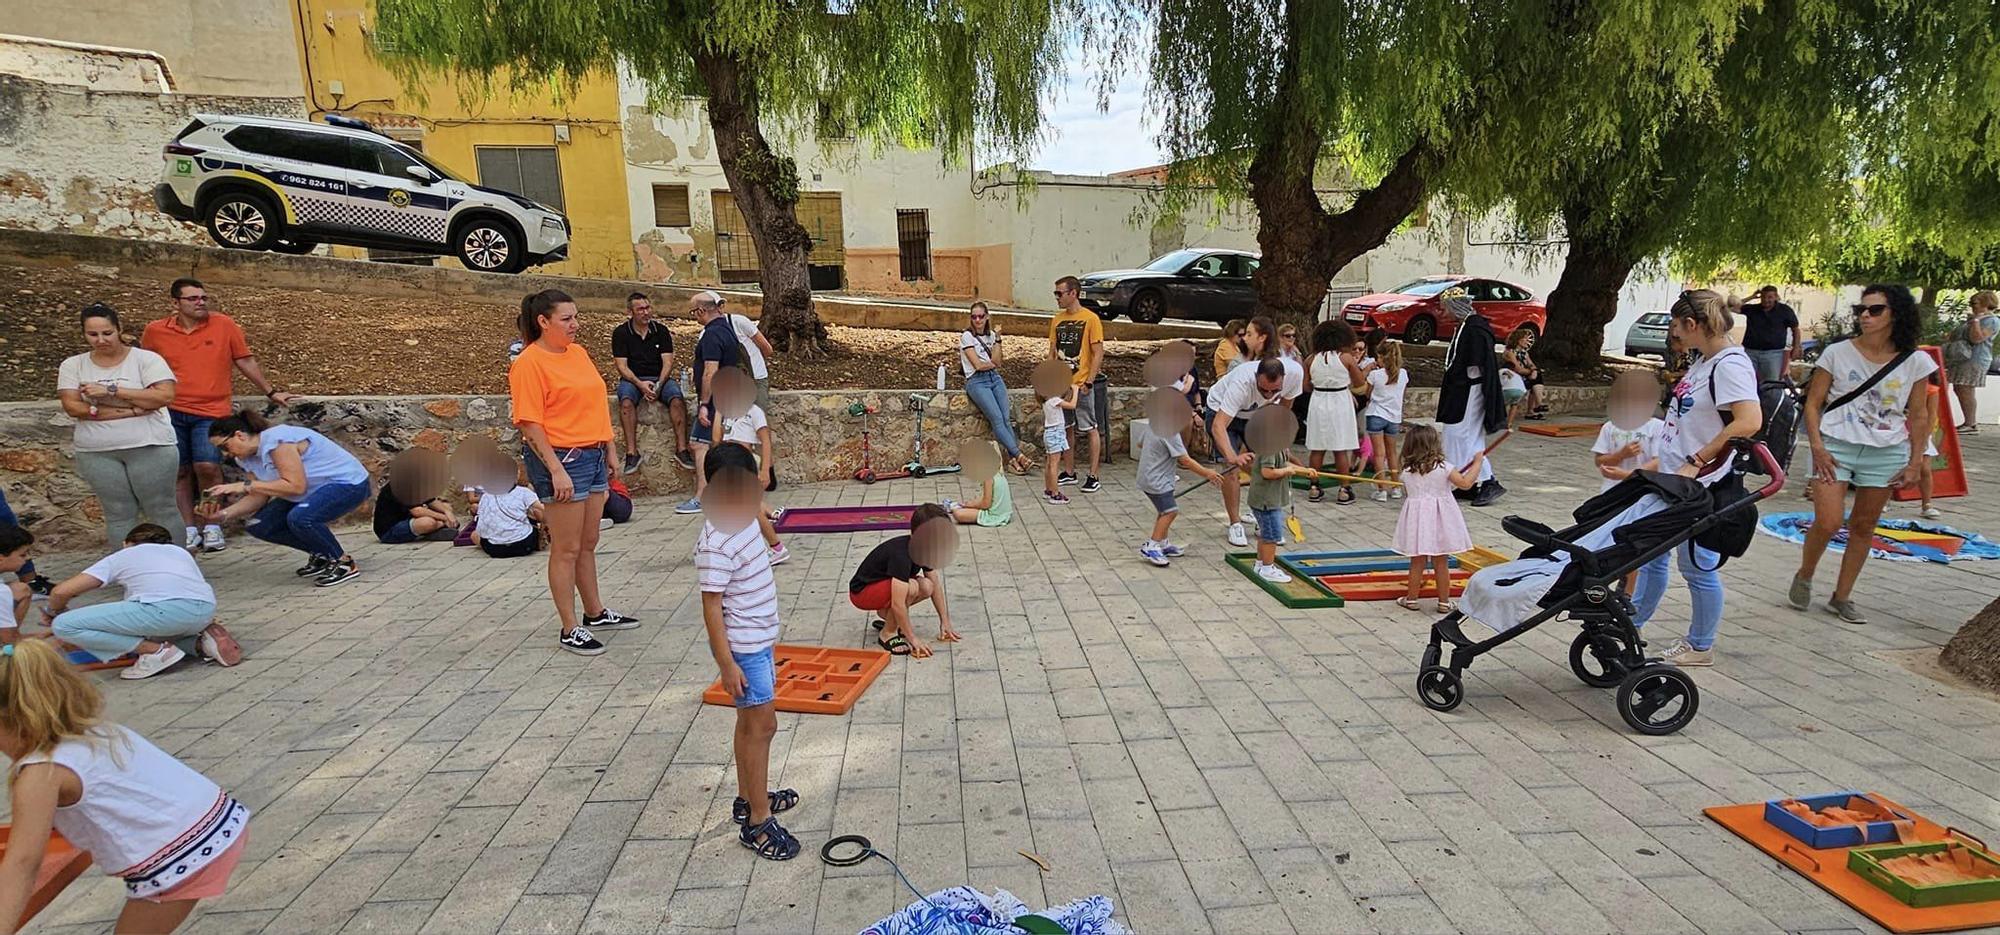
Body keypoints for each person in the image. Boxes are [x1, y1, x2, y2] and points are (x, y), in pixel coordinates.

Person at [0, 639, 251, 932]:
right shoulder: (91, 731)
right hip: (218, 820)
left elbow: (23, 863)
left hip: (181, 855)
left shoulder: (40, 773)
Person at [1791, 284, 1936, 625]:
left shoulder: (1916, 361)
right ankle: (1806, 572)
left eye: (1874, 310)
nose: (1864, 316)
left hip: (1886, 450)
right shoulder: (1838, 353)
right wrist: (1817, 446)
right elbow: (1813, 404)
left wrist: (1915, 461)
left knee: (1865, 524)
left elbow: (1918, 415)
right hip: (1836, 444)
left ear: (1895, 314)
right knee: (1828, 520)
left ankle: (1842, 596)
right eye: (1861, 310)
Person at [1632, 289, 1762, 666]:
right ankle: (1634, 621)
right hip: (1675, 477)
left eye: (1676, 328)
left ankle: (1700, 645)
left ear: (1693, 324)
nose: (1673, 336)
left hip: (1703, 482)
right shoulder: (1705, 361)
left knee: (1696, 565)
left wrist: (1697, 459)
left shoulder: (1730, 364)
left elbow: (1749, 421)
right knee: (1651, 552)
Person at [509, 290, 638, 655]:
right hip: (562, 459)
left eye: (575, 317)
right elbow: (530, 423)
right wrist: (555, 470)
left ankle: (595, 611)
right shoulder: (529, 363)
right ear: (543, 322)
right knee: (565, 548)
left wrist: (610, 447)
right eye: (566, 319)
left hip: (593, 454)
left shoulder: (577, 354)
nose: (575, 325)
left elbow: (596, 403)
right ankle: (569, 627)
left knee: (589, 541)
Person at [691, 443, 800, 860]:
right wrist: (727, 663)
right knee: (762, 727)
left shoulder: (744, 515)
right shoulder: (717, 541)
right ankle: (758, 821)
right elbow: (711, 605)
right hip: (745, 650)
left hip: (759, 641)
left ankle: (748, 797)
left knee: (750, 725)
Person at [141, 278, 300, 553]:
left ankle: (211, 525)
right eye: (192, 298)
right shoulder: (155, 331)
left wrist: (270, 391)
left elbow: (244, 359)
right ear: (175, 303)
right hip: (170, 410)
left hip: (211, 411)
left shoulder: (223, 324)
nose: (200, 302)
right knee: (179, 472)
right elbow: (144, 366)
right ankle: (188, 529)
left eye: (203, 297)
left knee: (208, 467)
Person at [56, 304, 183, 548]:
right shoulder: (73, 365)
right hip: (97, 449)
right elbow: (73, 407)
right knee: (118, 512)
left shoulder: (146, 359)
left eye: (107, 333)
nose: (101, 340)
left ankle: (176, 564)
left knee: (161, 507)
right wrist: (131, 409)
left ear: (119, 330)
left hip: (149, 444)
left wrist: (111, 391)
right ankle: (127, 568)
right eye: (93, 335)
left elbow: (163, 397)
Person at [41, 524, 237, 680]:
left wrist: (54, 612)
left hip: (163, 609)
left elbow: (61, 591)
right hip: (204, 610)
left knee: (64, 625)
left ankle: (155, 652)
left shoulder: (123, 555)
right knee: (148, 629)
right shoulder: (180, 553)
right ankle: (201, 644)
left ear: (127, 543)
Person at [200, 410, 370, 587]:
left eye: (224, 447)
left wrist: (244, 486)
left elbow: (295, 486)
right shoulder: (245, 459)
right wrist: (223, 515)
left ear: (239, 435)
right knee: (258, 525)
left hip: (348, 484)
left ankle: (343, 562)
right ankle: (322, 554)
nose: (225, 454)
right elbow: (259, 496)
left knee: (301, 518)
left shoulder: (277, 441)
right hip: (312, 492)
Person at [849, 503, 960, 658]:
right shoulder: (902, 554)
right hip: (862, 593)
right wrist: (912, 639)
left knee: (927, 586)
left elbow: (935, 586)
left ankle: (891, 620)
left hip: (882, 587)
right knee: (912, 587)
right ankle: (888, 633)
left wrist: (945, 621)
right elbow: (898, 603)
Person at [1392, 425, 1481, 612]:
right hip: (1441, 519)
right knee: (1441, 561)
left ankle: (1411, 599)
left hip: (1417, 520)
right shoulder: (1445, 468)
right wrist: (1477, 463)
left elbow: (1412, 491)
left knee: (1417, 561)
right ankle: (1443, 602)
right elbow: (1465, 484)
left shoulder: (1407, 471)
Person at [1208, 358, 1295, 547]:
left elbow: (1284, 407)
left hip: (1255, 414)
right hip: (1221, 413)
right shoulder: (1241, 384)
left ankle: (1264, 520)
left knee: (1269, 463)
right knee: (1231, 467)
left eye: (1274, 391)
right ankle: (1235, 523)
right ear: (1256, 377)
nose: (1269, 394)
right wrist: (1232, 456)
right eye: (1264, 390)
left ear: (1284, 379)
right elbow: (1218, 425)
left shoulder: (1296, 374)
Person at [1137, 391, 1224, 567]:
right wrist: (1208, 473)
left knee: (1164, 510)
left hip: (1148, 476)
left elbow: (1140, 443)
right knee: (1170, 511)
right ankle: (1152, 546)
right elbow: (1184, 459)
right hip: (1157, 480)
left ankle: (1163, 542)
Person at [679, 291, 746, 514]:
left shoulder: (710, 335)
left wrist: (704, 404)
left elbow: (710, 371)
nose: (694, 317)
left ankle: (703, 495)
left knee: (700, 444)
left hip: (716, 399)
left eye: (694, 312)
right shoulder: (728, 329)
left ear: (701, 311)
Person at [1437, 291, 1506, 507]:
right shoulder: (1465, 327)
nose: (1441, 312)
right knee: (1464, 437)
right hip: (1462, 389)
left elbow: (1477, 364)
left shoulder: (1475, 330)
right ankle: (1471, 482)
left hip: (1470, 391)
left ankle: (1488, 480)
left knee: (1460, 435)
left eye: (1444, 307)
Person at [610, 292, 689, 474]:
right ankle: (632, 453)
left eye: (648, 308)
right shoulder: (621, 333)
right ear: (630, 312)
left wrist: (659, 384)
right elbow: (622, 366)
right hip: (633, 379)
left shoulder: (660, 331)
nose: (646, 313)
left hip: (659, 377)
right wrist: (640, 384)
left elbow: (668, 362)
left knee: (677, 399)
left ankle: (682, 449)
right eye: (640, 309)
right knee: (626, 403)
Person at [714, 370, 788, 565]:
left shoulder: (754, 412)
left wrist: (765, 470)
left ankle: (776, 547)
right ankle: (764, 525)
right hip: (729, 463)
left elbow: (766, 441)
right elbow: (716, 439)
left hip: (745, 462)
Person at [1048, 276, 1107, 492]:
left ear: (1074, 293)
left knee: (1090, 427)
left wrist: (1089, 381)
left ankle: (1093, 475)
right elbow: (1053, 351)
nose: (1057, 298)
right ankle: (1069, 471)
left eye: (1060, 293)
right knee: (1067, 428)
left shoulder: (1091, 319)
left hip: (1081, 384)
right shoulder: (1057, 319)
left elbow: (1098, 352)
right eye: (1055, 293)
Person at [959, 303, 1032, 474]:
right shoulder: (967, 337)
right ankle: (1019, 456)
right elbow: (977, 365)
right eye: (974, 317)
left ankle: (1013, 461)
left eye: (980, 316)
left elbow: (998, 361)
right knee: (997, 419)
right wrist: (990, 363)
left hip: (994, 378)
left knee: (1006, 420)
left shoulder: (992, 335)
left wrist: (998, 339)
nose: (977, 320)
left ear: (987, 317)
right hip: (977, 381)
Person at [1244, 407, 1309, 583]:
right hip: (1266, 500)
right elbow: (1267, 472)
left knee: (1265, 534)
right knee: (1272, 535)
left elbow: (1285, 462)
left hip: (1270, 499)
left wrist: (1303, 470)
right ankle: (1267, 568)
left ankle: (1260, 564)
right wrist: (1287, 471)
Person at [1305, 321, 1364, 505]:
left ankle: (1314, 487)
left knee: (1317, 446)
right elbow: (1359, 382)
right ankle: (1344, 490)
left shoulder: (1310, 359)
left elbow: (1306, 386)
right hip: (1340, 400)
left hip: (1318, 400)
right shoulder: (1346, 358)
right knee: (1340, 447)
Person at [1592, 371, 1666, 492]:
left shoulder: (1658, 427)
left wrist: (1627, 475)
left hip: (1644, 490)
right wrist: (1621, 455)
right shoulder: (1609, 427)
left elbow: (1659, 462)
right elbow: (1599, 461)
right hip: (1611, 490)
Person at [373, 452, 460, 544]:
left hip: (407, 520)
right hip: (389, 530)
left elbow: (431, 501)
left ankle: (433, 530)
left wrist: (448, 512)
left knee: (446, 506)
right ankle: (432, 530)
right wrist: (445, 518)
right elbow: (417, 511)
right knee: (428, 522)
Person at [1945, 290, 1999, 434]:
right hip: (1961, 358)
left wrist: (1975, 322)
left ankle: (1971, 423)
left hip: (1975, 359)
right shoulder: (1975, 318)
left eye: (1975, 303)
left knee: (1966, 388)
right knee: (1960, 388)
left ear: (1986, 304)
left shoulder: (1991, 321)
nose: (1972, 306)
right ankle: (1968, 422)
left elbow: (1977, 338)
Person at [1364, 340, 1409, 502]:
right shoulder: (1403, 374)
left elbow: (1367, 394)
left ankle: (1381, 489)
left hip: (1376, 414)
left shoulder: (1375, 375)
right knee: (1392, 453)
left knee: (1379, 454)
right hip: (1394, 417)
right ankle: (1396, 486)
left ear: (1382, 357)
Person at [472, 474, 543, 559]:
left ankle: (500, 541)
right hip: (523, 545)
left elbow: (481, 528)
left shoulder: (486, 496)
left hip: (494, 550)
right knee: (533, 511)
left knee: (474, 535)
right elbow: (542, 509)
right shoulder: (524, 492)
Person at [1741, 285, 1802, 384]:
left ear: (1776, 297)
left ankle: (1770, 400)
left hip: (1773, 354)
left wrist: (1796, 347)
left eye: (1770, 297)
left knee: (1771, 384)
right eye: (1763, 297)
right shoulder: (1753, 309)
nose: (1766, 300)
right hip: (1750, 352)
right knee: (1746, 381)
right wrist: (1751, 297)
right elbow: (1730, 306)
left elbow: (1795, 329)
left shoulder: (1785, 310)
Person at [730, 309, 778, 410]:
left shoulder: (739, 322)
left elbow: (767, 349)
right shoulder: (706, 333)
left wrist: (757, 362)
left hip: (755, 379)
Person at [1040, 381, 1079, 505]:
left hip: (1049, 433)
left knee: (1049, 463)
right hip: (1056, 433)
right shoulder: (1054, 400)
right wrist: (1076, 390)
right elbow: (1072, 405)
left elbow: (1065, 399)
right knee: (1054, 464)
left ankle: (1048, 489)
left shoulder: (1047, 401)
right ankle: (1055, 494)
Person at [0, 525, 36, 642]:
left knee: (21, 590)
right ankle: (13, 636)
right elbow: (8, 646)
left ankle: (14, 634)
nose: (27, 558)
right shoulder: (2, 592)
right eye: (23, 555)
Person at [1502, 330, 1548, 420]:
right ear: (1519, 340)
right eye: (1526, 339)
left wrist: (1534, 370)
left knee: (1536, 376)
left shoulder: (1525, 353)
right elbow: (1517, 369)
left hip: (1522, 377)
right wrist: (1531, 372)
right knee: (1534, 378)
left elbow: (1532, 365)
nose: (1528, 342)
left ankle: (1535, 407)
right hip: (1511, 378)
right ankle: (1537, 406)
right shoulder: (1509, 352)